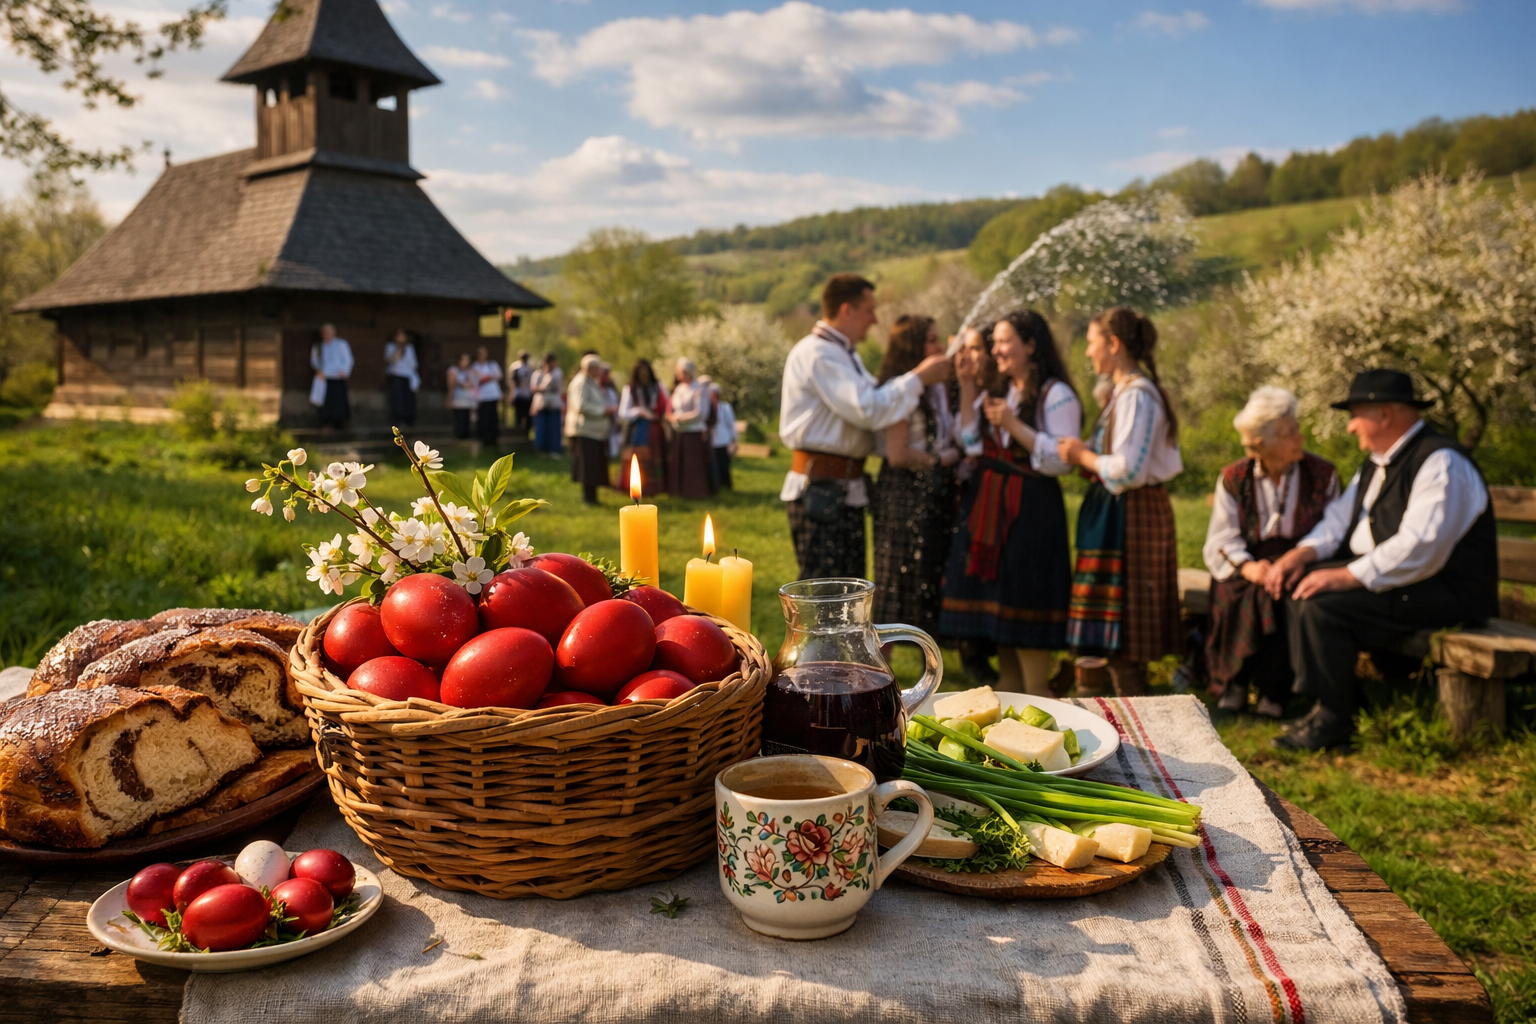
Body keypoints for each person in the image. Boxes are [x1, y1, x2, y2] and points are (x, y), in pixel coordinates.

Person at [1260, 369, 1498, 750]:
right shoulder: (1376, 464)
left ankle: (1335, 720)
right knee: (1299, 584)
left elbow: (1421, 547)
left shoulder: (1441, 462)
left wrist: (1343, 576)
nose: (1351, 427)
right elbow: (1337, 522)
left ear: (1383, 415)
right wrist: (1300, 555)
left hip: (1445, 592)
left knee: (1323, 603)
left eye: (1355, 415)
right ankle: (1337, 703)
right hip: (1404, 584)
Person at [939, 311, 1081, 695]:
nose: (995, 350)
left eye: (1005, 342)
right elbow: (969, 441)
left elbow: (1062, 458)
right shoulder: (999, 392)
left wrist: (1015, 426)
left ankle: (1039, 693)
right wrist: (967, 384)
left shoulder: (1056, 395)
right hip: (989, 506)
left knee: (1024, 598)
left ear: (1031, 345)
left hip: (1031, 509)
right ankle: (1010, 689)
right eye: (995, 342)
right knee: (998, 607)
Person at [778, 273, 951, 580]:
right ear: (847, 310)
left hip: (843, 488)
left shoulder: (843, 354)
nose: (874, 320)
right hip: (822, 488)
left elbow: (877, 402)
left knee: (848, 590)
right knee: (825, 592)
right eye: (869, 310)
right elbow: (868, 409)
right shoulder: (819, 353)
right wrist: (919, 377)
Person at [1057, 307, 1184, 697]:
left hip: (1131, 514)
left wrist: (1082, 456)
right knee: (1111, 623)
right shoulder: (1123, 394)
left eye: (1093, 342)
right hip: (1115, 512)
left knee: (1126, 624)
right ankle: (1101, 695)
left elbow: (1128, 471)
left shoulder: (1137, 396)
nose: (1088, 352)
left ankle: (1134, 699)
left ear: (1114, 344)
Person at [1202, 387, 1340, 719]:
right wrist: (1250, 568)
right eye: (1291, 432)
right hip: (1250, 559)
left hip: (1302, 559)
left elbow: (1334, 531)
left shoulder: (1323, 475)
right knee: (1239, 591)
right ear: (1264, 441)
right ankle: (1234, 681)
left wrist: (1293, 561)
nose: (1300, 437)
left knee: (1282, 595)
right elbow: (1223, 538)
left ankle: (1274, 691)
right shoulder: (1235, 478)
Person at [871, 315, 961, 638]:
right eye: (932, 340)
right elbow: (898, 454)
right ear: (913, 348)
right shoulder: (901, 390)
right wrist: (941, 460)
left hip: (930, 489)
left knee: (927, 572)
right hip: (902, 490)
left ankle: (928, 654)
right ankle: (882, 665)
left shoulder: (934, 388)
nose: (940, 347)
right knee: (895, 579)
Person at [565, 354, 614, 505]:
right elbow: (581, 405)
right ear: (590, 368)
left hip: (593, 432)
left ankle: (592, 497)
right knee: (587, 467)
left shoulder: (590, 381)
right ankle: (589, 498)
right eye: (598, 367)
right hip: (584, 432)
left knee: (593, 466)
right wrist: (603, 411)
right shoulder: (580, 383)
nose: (600, 370)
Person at [618, 359, 669, 495]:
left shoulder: (658, 386)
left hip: (654, 428)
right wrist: (638, 411)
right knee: (638, 457)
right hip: (637, 430)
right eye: (641, 374)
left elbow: (667, 404)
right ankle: (635, 487)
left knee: (655, 457)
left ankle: (656, 487)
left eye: (646, 373)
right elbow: (623, 412)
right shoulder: (630, 388)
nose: (644, 376)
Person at [667, 358, 715, 500]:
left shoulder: (699, 388)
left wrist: (681, 418)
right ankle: (679, 490)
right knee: (680, 462)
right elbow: (674, 407)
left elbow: (701, 413)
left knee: (693, 464)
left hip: (694, 431)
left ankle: (695, 491)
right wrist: (673, 417)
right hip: (680, 431)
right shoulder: (679, 388)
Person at [309, 323, 353, 429]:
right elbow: (314, 361)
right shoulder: (318, 346)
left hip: (338, 376)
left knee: (340, 400)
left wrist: (344, 371)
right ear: (322, 334)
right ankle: (326, 422)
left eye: (329, 332)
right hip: (325, 377)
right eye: (325, 332)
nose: (327, 334)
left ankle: (341, 422)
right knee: (326, 401)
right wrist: (318, 370)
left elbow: (348, 359)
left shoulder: (341, 344)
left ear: (334, 333)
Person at [384, 329, 419, 427]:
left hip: (407, 376)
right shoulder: (391, 347)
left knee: (408, 398)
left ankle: (409, 419)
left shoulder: (410, 348)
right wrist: (398, 349)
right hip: (396, 375)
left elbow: (413, 364)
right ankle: (399, 419)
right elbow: (389, 360)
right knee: (397, 398)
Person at [530, 353, 564, 455]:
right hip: (541, 404)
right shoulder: (538, 374)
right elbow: (533, 388)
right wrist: (543, 387)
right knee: (541, 427)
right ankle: (541, 449)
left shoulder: (557, 373)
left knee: (554, 428)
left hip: (554, 404)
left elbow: (559, 386)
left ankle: (554, 449)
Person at [706, 378, 737, 492]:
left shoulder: (725, 407)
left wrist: (734, 440)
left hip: (723, 441)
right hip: (712, 441)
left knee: (724, 464)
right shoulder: (707, 408)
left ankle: (726, 486)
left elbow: (731, 424)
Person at [472, 346, 503, 447]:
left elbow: (499, 375)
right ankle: (483, 438)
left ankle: (493, 439)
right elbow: (473, 379)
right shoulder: (475, 366)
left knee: (493, 417)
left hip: (493, 395)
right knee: (483, 417)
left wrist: (488, 378)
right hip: (481, 396)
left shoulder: (492, 364)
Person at [447, 352, 477, 439]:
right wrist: (449, 399)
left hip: (468, 399)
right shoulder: (453, 370)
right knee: (459, 418)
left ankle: (466, 436)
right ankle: (459, 436)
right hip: (458, 399)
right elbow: (451, 385)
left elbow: (474, 383)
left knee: (467, 418)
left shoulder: (471, 371)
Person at [508, 349, 534, 438]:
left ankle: (527, 432)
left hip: (528, 393)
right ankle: (518, 432)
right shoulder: (515, 367)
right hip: (519, 393)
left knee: (528, 415)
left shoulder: (530, 367)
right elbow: (513, 380)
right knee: (518, 414)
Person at [600, 361, 622, 462]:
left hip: (613, 415)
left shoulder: (610, 387)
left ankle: (613, 453)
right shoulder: (599, 388)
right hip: (604, 416)